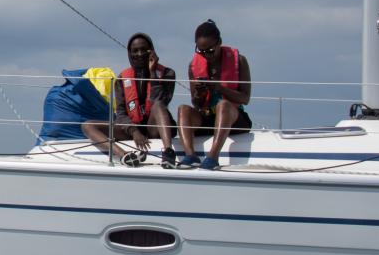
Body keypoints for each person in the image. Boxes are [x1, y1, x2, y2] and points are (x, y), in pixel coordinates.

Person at [81, 32, 177, 168]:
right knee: (87, 125)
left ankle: (168, 152)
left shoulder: (168, 73)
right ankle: (125, 156)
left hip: (155, 127)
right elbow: (120, 113)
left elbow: (162, 100)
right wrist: (134, 131)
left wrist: (153, 73)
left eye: (144, 50)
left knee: (158, 105)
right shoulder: (122, 79)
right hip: (132, 128)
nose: (139, 54)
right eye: (135, 51)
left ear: (151, 51)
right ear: (129, 53)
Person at [176, 19, 251, 170]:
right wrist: (199, 93)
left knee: (223, 105)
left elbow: (245, 98)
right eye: (200, 51)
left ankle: (213, 157)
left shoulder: (240, 61)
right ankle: (190, 155)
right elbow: (196, 103)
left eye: (210, 50)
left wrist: (219, 88)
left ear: (219, 43)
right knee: (183, 109)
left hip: (233, 117)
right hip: (207, 116)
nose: (206, 55)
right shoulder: (193, 66)